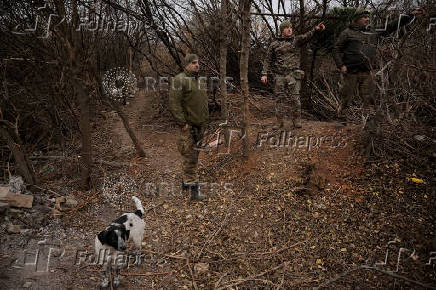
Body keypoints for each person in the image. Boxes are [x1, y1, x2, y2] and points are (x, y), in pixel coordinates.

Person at [333, 8, 424, 121]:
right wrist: (341, 65)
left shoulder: (373, 31)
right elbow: (336, 49)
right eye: (364, 17)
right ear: (357, 19)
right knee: (346, 97)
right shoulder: (347, 33)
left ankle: (367, 123)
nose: (367, 19)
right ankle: (340, 119)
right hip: (350, 71)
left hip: (367, 71)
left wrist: (410, 15)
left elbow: (391, 26)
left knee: (368, 98)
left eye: (368, 17)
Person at [261, 20, 325, 129]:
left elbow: (307, 36)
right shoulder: (274, 44)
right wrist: (264, 74)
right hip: (279, 75)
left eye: (290, 27)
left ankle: (296, 121)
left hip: (293, 75)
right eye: (287, 28)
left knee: (295, 99)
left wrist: (316, 29)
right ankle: (279, 122)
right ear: (282, 30)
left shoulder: (296, 41)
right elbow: (268, 60)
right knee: (279, 99)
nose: (290, 29)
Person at [169, 54, 209, 201]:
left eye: (198, 62)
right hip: (189, 126)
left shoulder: (198, 79)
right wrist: (182, 123)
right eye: (194, 63)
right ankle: (194, 191)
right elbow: (174, 103)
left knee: (194, 155)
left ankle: (186, 181)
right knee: (190, 156)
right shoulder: (179, 80)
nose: (197, 65)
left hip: (200, 124)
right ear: (186, 65)